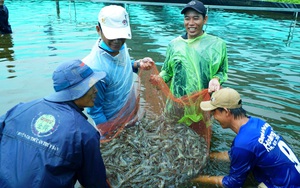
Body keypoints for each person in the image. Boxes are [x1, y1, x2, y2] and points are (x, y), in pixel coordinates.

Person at [0, 60, 109, 188]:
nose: (96, 90)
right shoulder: (85, 133)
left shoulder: (20, 109)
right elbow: (94, 182)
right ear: (77, 90)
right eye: (91, 85)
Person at [193, 87, 300, 187]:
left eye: (214, 112)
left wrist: (198, 179)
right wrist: (208, 156)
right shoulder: (257, 123)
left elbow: (232, 183)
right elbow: (236, 154)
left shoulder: (243, 143)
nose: (212, 116)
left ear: (226, 111)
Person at [149, 0, 228, 126]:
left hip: (203, 105)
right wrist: (160, 78)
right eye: (187, 18)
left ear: (205, 19)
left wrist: (216, 78)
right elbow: (168, 71)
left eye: (196, 18)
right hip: (177, 104)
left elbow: (221, 71)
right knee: (172, 137)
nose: (191, 23)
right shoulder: (174, 45)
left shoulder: (217, 45)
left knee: (199, 138)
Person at [82, 5, 154, 130]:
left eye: (121, 34)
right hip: (112, 123)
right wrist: (108, 133)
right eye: (112, 35)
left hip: (130, 112)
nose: (117, 40)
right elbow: (95, 110)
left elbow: (121, 65)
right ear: (98, 30)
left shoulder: (120, 45)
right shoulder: (94, 69)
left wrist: (137, 64)